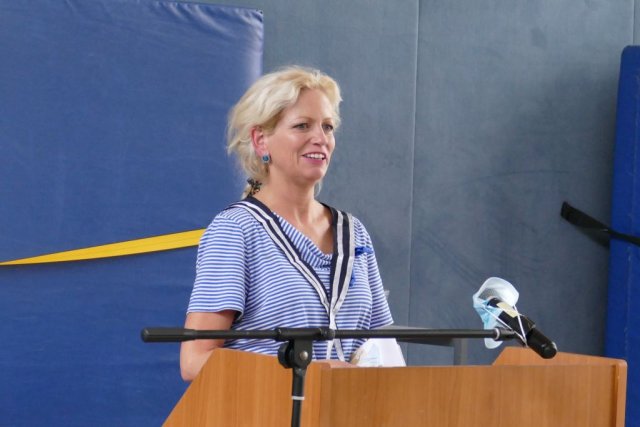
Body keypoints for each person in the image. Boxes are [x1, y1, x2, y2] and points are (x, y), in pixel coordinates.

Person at [180, 66, 393, 381]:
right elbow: (194, 361)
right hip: (268, 406)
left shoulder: (354, 233)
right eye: (302, 125)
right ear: (261, 140)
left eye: (328, 127)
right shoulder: (236, 230)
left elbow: (383, 349)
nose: (320, 139)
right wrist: (310, 374)